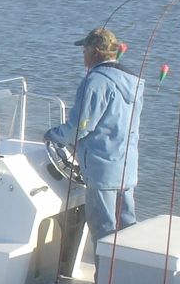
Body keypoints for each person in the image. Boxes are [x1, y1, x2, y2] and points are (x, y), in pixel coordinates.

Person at [44, 27, 145, 259]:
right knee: (127, 231)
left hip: (102, 171)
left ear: (96, 51)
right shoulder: (132, 81)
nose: (83, 54)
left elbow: (79, 127)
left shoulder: (96, 82)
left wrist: (52, 134)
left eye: (85, 49)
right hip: (126, 169)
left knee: (103, 232)